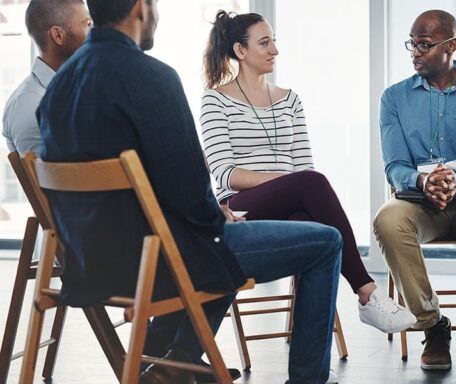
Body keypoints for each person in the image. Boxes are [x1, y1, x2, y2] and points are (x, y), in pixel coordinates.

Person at [38, 1, 341, 383]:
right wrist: (219, 214)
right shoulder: (152, 77)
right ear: (139, 9)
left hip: (88, 264)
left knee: (213, 239)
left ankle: (174, 358)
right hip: (157, 262)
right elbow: (190, 189)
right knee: (324, 242)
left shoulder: (59, 85)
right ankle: (304, 379)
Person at [200, 10, 415, 334]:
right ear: (240, 51)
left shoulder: (290, 101)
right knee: (311, 184)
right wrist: (288, 182)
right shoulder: (215, 100)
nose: (274, 49)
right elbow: (225, 174)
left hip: (293, 198)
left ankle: (309, 354)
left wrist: (292, 184)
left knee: (315, 230)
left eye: (274, 41)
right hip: (242, 205)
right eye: (264, 42)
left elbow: (303, 167)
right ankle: (367, 293)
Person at [372, 9, 456, 370]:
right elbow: (394, 166)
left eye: (424, 45)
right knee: (387, 221)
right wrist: (423, 181)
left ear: (452, 45)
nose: (415, 52)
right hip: (418, 204)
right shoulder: (394, 98)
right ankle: (433, 326)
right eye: (412, 45)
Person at [3, 0, 91, 155]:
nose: (94, 32)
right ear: (58, 35)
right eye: (87, 24)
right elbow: (50, 177)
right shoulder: (29, 103)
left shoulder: (77, 88)